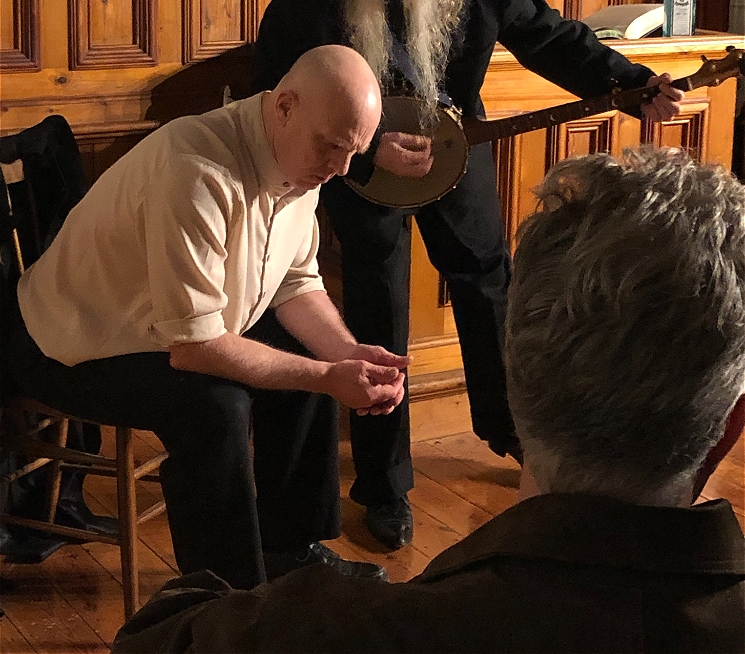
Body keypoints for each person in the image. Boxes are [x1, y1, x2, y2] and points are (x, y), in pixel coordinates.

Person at [111, 146, 745, 653]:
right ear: (730, 426)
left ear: (516, 380)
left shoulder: (330, 632)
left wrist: (310, 603)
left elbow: (155, 637)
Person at [246, 0, 685, 549]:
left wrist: (631, 85)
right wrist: (360, 148)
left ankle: (511, 433)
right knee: (377, 313)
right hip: (359, 172)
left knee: (487, 288)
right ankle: (384, 485)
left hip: (457, 156)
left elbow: (548, 37)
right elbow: (275, 91)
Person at [5, 45, 410, 590]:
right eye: (333, 148)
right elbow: (195, 348)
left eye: (353, 153)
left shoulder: (302, 155)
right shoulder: (196, 168)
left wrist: (344, 355)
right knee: (216, 407)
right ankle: (225, 598)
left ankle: (289, 549)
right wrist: (326, 377)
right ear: (284, 106)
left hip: (175, 322)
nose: (340, 169)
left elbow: (295, 283)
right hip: (69, 341)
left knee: (312, 357)